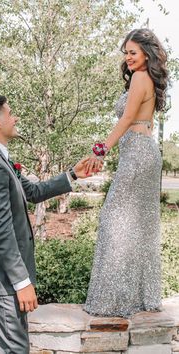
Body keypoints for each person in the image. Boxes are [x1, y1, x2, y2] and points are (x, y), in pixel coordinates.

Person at [0, 95, 102, 353]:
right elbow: (1, 232)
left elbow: (34, 191)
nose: (15, 117)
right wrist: (22, 282)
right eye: (10, 112)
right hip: (2, 278)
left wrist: (73, 174)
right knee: (14, 349)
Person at [84, 28, 168, 317]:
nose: (128, 57)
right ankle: (138, 297)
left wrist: (100, 151)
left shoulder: (141, 78)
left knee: (112, 218)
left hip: (138, 154)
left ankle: (114, 300)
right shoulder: (144, 78)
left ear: (147, 53)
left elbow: (129, 118)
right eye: (126, 53)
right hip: (141, 152)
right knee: (138, 225)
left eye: (133, 52)